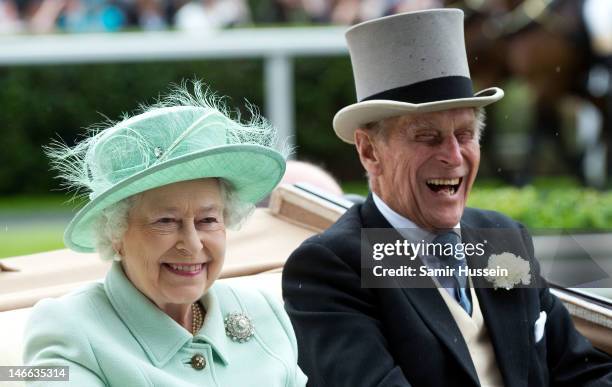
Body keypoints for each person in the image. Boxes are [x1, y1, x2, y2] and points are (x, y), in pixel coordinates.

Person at [282, 9, 612, 387]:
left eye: (465, 135)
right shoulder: (332, 265)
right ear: (369, 151)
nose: (454, 157)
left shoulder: (500, 236)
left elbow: (583, 371)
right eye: (428, 137)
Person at [23, 81, 307, 386]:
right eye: (166, 221)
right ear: (115, 234)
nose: (193, 244)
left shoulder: (263, 311)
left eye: (208, 220)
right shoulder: (68, 328)